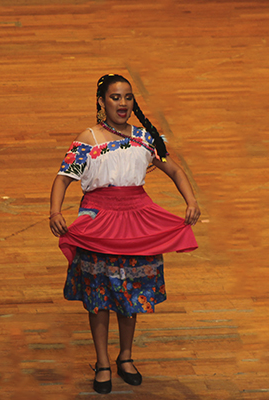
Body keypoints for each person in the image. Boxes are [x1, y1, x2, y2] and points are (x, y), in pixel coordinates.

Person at [49, 74, 199, 394]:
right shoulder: (89, 138)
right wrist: (55, 212)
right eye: (115, 97)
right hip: (99, 222)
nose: (122, 103)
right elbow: (63, 178)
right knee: (99, 296)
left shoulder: (145, 138)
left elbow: (174, 169)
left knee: (131, 292)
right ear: (102, 102)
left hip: (136, 221)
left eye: (128, 97)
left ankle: (126, 357)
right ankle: (103, 361)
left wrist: (191, 201)